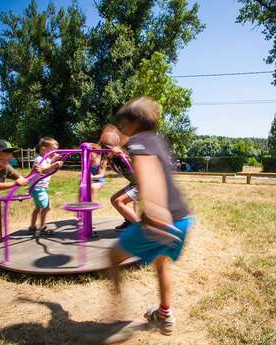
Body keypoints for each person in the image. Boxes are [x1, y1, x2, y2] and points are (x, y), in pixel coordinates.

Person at [107, 97, 194, 336]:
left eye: (123, 122)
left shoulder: (138, 142)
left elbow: (148, 176)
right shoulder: (157, 140)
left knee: (113, 257)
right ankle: (165, 317)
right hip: (183, 218)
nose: (121, 127)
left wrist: (157, 216)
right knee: (161, 263)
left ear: (133, 122)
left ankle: (115, 323)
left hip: (162, 221)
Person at [99, 129, 140, 230]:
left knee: (119, 201)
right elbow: (94, 147)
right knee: (114, 199)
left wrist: (121, 153)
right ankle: (130, 221)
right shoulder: (110, 158)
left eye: (107, 148)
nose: (104, 151)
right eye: (103, 147)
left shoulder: (123, 156)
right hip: (135, 183)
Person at [29, 137, 63, 234]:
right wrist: (55, 165)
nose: (55, 151)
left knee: (38, 208)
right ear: (43, 149)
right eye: (53, 149)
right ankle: (42, 226)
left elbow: (48, 163)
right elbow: (43, 171)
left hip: (39, 188)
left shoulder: (46, 159)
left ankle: (32, 226)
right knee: (46, 207)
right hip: (37, 188)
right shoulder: (38, 160)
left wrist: (53, 159)